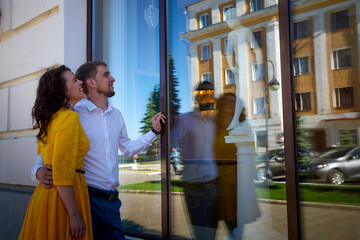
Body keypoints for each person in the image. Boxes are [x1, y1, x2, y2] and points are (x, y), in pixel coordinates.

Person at [32, 61, 165, 240]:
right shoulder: (73, 114)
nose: (113, 78)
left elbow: (127, 149)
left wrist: (154, 131)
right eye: (106, 75)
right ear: (91, 83)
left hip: (112, 204)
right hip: (85, 200)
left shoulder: (117, 115)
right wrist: (37, 171)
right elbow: (47, 155)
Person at [19, 66, 93, 239]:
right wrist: (74, 214)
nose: (81, 82)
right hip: (63, 200)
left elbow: (42, 159)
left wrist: (37, 171)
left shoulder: (50, 119)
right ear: (62, 91)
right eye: (75, 80)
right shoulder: (69, 118)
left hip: (44, 196)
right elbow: (62, 171)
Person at [170, 81, 219, 240]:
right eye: (202, 93)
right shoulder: (184, 120)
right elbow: (171, 147)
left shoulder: (215, 122)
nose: (206, 96)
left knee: (212, 232)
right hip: (194, 188)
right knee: (201, 235)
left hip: (214, 185)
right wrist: (176, 169)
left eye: (209, 93)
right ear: (196, 97)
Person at [214, 93, 260, 239]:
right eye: (225, 101)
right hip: (218, 175)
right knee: (221, 213)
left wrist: (250, 176)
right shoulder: (214, 125)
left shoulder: (243, 125)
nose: (228, 103)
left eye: (232, 101)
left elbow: (250, 151)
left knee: (236, 217)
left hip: (238, 174)